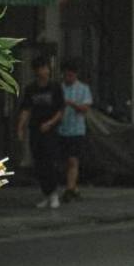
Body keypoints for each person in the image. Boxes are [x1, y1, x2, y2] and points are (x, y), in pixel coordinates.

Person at [17, 56, 65, 209]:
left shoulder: (55, 87)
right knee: (39, 163)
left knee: (50, 161)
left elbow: (60, 110)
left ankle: (54, 193)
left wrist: (50, 123)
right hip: (35, 129)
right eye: (39, 68)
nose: (42, 71)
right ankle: (46, 193)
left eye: (45, 68)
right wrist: (20, 127)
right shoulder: (31, 89)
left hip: (51, 130)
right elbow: (26, 109)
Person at [58, 60, 93, 202]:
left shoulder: (83, 89)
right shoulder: (59, 88)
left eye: (71, 74)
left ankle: (70, 188)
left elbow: (85, 108)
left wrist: (71, 104)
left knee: (73, 159)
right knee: (63, 160)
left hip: (77, 130)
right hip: (61, 128)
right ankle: (71, 186)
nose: (68, 77)